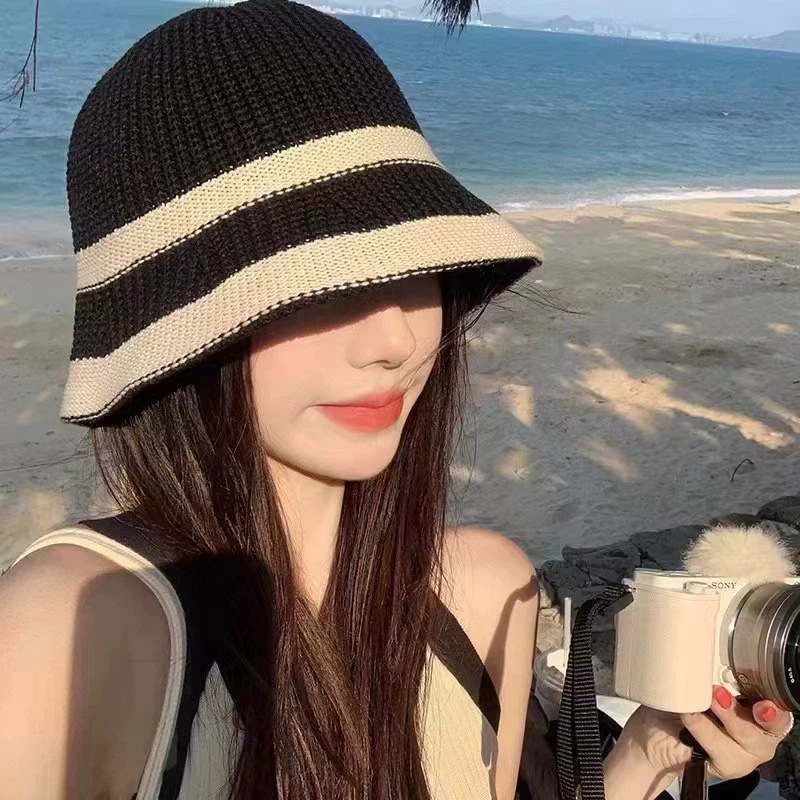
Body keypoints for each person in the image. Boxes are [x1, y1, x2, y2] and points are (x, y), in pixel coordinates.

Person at [0, 1, 792, 799]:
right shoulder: (68, 636)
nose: (396, 339)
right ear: (172, 320)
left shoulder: (484, 592)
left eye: (411, 269)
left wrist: (646, 759)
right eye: (315, 285)